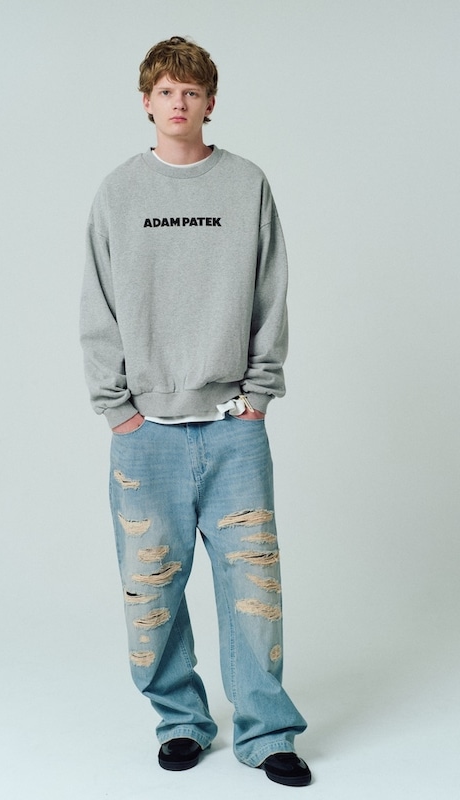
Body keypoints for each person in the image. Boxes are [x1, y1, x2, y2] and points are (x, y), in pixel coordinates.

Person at [80, 36, 311, 787]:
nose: (178, 103)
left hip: (233, 427)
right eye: (166, 92)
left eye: (192, 92)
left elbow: (272, 293)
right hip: (145, 434)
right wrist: (117, 409)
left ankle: (268, 732)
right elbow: (98, 306)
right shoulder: (119, 193)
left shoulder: (246, 185)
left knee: (254, 591)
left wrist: (259, 396)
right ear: (146, 102)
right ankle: (180, 720)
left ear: (211, 102)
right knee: (150, 592)